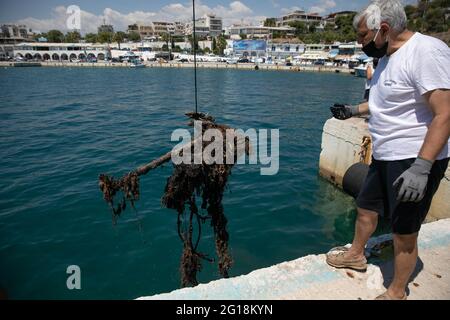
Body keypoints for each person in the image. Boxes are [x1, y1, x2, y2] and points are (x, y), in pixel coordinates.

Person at [328, 0, 450, 300]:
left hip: (413, 158)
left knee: (404, 230)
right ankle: (356, 254)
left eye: (362, 38)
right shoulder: (386, 57)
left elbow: (444, 113)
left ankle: (397, 292)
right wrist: (353, 110)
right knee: (366, 209)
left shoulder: (427, 52)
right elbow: (387, 103)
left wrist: (422, 168)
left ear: (383, 29)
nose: (360, 44)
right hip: (384, 153)